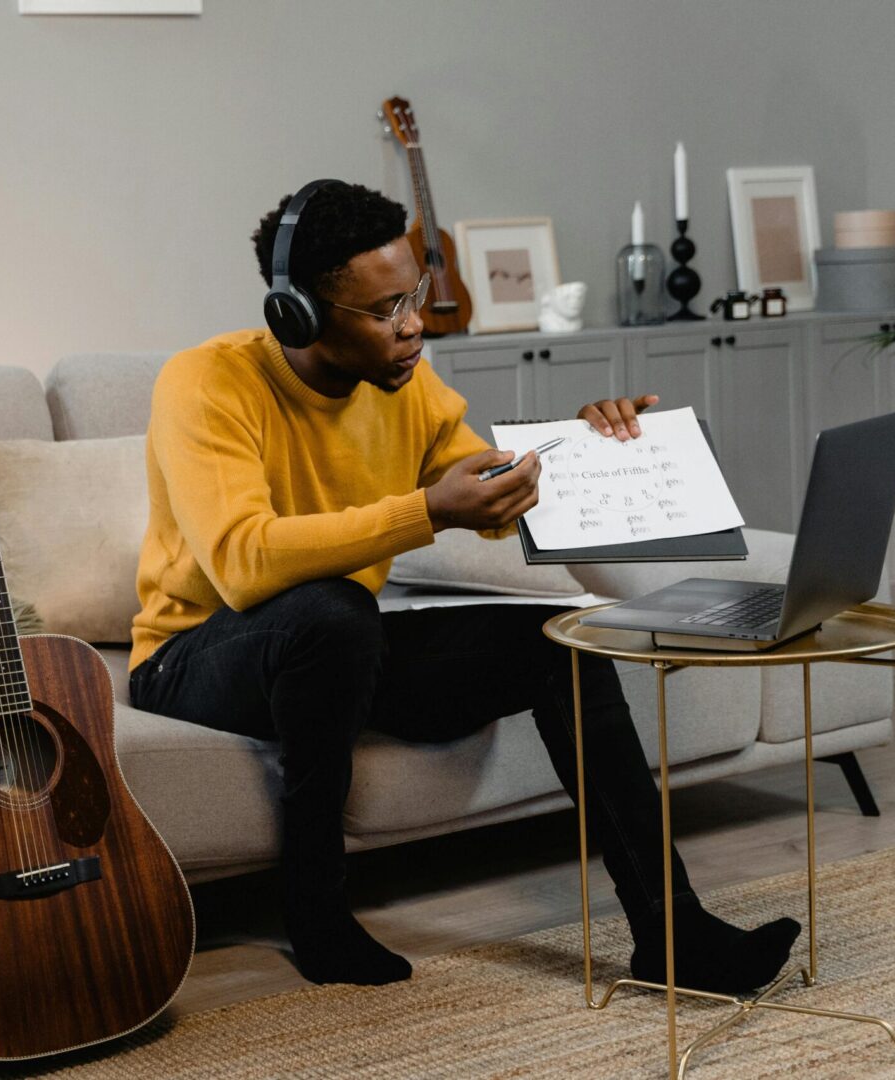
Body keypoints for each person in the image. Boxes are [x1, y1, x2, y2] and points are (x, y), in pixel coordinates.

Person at [127, 180, 799, 988]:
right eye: (385, 311)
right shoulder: (207, 382)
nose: (413, 324)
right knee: (336, 611)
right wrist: (425, 511)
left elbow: (485, 493)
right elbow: (242, 561)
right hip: (191, 658)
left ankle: (671, 930)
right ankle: (315, 914)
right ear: (297, 312)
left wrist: (584, 447)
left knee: (558, 639)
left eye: (412, 294)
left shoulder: (406, 385)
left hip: (337, 650)